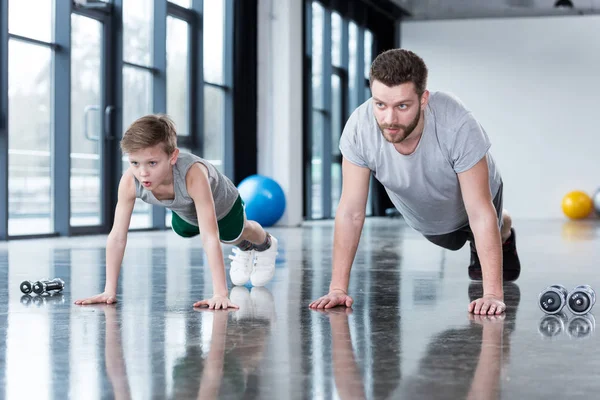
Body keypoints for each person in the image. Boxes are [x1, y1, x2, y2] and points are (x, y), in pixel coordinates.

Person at [309, 49, 521, 315]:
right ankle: (483, 233)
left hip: (477, 200)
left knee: (487, 225)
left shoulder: (457, 124)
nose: (389, 119)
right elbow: (350, 212)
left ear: (423, 99)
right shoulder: (359, 129)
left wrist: (492, 294)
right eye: (380, 104)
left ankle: (504, 230)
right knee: (452, 239)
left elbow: (479, 211)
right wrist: (337, 289)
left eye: (402, 106)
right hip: (430, 218)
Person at [74, 114, 278, 309]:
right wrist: (109, 290)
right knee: (182, 229)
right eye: (134, 163)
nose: (142, 172)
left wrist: (220, 294)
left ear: (173, 157)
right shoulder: (130, 181)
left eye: (152, 163)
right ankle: (243, 247)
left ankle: (265, 243)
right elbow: (118, 236)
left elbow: (209, 236)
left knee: (232, 234)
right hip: (187, 213)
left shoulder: (193, 175)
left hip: (223, 207)